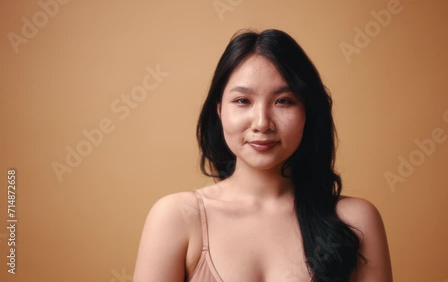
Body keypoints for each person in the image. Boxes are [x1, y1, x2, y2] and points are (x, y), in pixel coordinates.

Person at [133, 29, 392, 282]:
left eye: (284, 101)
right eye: (243, 101)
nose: (262, 123)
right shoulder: (176, 217)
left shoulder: (356, 220)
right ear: (220, 110)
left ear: (308, 112)